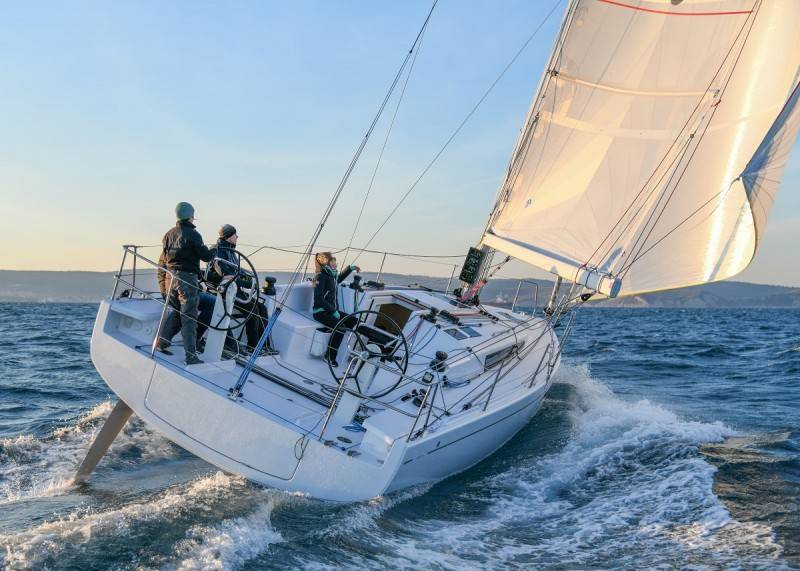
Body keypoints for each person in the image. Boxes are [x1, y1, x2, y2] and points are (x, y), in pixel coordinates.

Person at [155, 202, 213, 365]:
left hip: (170, 280)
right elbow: (206, 257)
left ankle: (162, 342)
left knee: (177, 312)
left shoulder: (168, 235)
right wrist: (214, 249)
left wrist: (163, 288)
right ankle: (191, 357)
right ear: (191, 216)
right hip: (186, 280)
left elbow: (163, 261)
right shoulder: (194, 234)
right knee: (189, 318)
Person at [207, 224, 278, 356]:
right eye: (235, 235)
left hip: (234, 290)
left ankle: (264, 345)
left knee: (262, 308)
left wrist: (248, 279)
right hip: (224, 291)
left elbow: (237, 272)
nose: (237, 237)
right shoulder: (217, 251)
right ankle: (253, 346)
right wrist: (248, 283)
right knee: (252, 308)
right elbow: (227, 276)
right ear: (228, 237)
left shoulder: (231, 252)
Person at [312, 252, 360, 367]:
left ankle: (375, 344)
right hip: (320, 312)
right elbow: (318, 299)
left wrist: (350, 269)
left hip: (331, 311)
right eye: (332, 262)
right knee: (340, 328)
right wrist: (333, 311)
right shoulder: (320, 276)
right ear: (326, 263)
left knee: (355, 321)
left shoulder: (331, 276)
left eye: (335, 262)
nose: (335, 264)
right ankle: (329, 357)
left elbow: (339, 278)